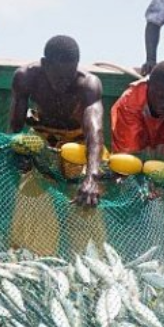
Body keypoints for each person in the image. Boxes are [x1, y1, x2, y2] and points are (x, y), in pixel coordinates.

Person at [9, 35, 105, 207]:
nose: (65, 83)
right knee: (30, 196)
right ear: (45, 64)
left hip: (78, 145)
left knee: (86, 200)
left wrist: (91, 178)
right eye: (59, 77)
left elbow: (95, 133)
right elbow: (15, 128)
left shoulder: (88, 85)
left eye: (70, 76)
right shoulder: (25, 77)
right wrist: (17, 155)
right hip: (42, 141)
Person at [111, 61, 164, 166]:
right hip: (137, 150)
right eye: (160, 96)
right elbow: (127, 150)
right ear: (149, 86)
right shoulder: (130, 101)